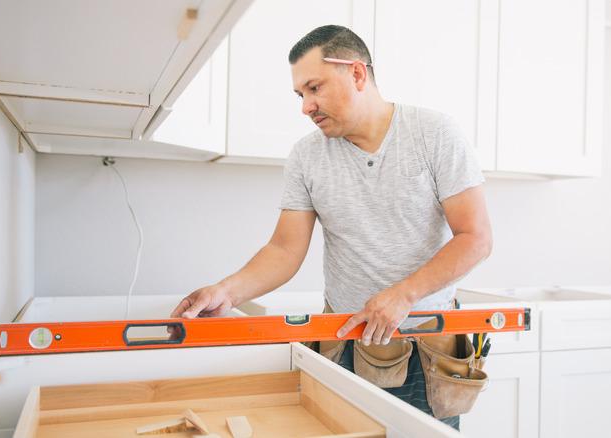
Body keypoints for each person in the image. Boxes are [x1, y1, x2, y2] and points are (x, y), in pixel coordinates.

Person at [171, 25, 492, 429]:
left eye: (314, 88)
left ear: (357, 74)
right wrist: (226, 292)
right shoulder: (306, 156)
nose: (306, 106)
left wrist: (403, 295)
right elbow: (284, 250)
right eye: (300, 94)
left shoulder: (435, 135)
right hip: (342, 343)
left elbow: (475, 238)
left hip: (426, 347)